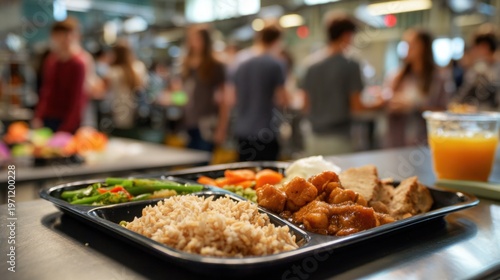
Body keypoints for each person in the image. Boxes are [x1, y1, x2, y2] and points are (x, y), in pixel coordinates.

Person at [301, 13, 368, 156]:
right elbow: (357, 106)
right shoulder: (350, 64)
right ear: (346, 35)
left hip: (313, 138)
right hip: (339, 138)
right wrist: (382, 103)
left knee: (315, 177)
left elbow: (305, 104)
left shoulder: (310, 64)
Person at [384, 28, 450, 147]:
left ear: (423, 47)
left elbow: (443, 112)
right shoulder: (397, 76)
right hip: (397, 142)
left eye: (410, 45)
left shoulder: (439, 79)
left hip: (423, 144)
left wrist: (414, 107)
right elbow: (387, 100)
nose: (406, 49)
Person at [233, 23, 288, 161]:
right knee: (267, 177)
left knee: (245, 175)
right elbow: (283, 99)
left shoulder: (240, 62)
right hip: (266, 131)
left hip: (242, 129)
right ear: (277, 40)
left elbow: (232, 97)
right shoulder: (276, 64)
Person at [33, 18, 87, 133]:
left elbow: (77, 99)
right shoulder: (51, 61)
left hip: (68, 121)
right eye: (58, 36)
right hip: (48, 118)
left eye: (66, 36)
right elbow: (47, 91)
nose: (63, 40)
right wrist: (38, 116)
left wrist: (66, 128)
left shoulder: (79, 63)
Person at [181, 26, 229, 152]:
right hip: (187, 122)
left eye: (198, 39)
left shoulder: (215, 65)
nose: (194, 43)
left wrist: (222, 127)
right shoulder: (186, 65)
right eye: (192, 39)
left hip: (207, 124)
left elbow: (224, 98)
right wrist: (171, 98)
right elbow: (184, 95)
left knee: (203, 162)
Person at [105, 41, 147, 131]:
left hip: (117, 110)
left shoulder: (113, 71)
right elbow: (144, 87)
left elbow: (103, 90)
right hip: (135, 111)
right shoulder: (139, 67)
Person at [455, 30, 500, 110]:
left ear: (484, 47)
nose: (473, 52)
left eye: (475, 48)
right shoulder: (478, 69)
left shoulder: (483, 70)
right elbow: (464, 94)